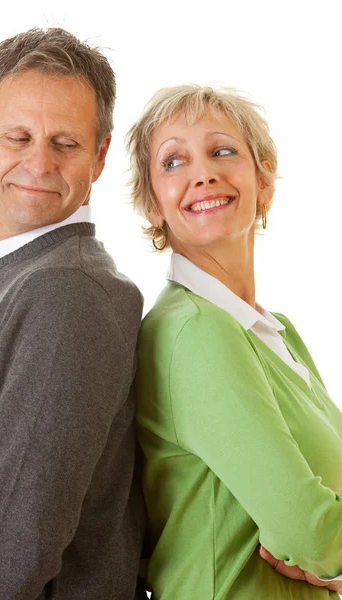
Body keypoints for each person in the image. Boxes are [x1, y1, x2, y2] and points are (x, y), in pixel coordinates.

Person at [0, 27, 146, 600]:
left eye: (65, 143)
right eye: (19, 136)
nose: (38, 163)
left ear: (99, 156)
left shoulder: (67, 291)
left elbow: (14, 535)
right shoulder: (15, 279)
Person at [127, 84, 342, 599]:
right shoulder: (195, 330)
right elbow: (307, 530)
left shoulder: (276, 331)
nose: (203, 172)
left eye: (223, 151)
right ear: (153, 205)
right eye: (173, 161)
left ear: (264, 181)